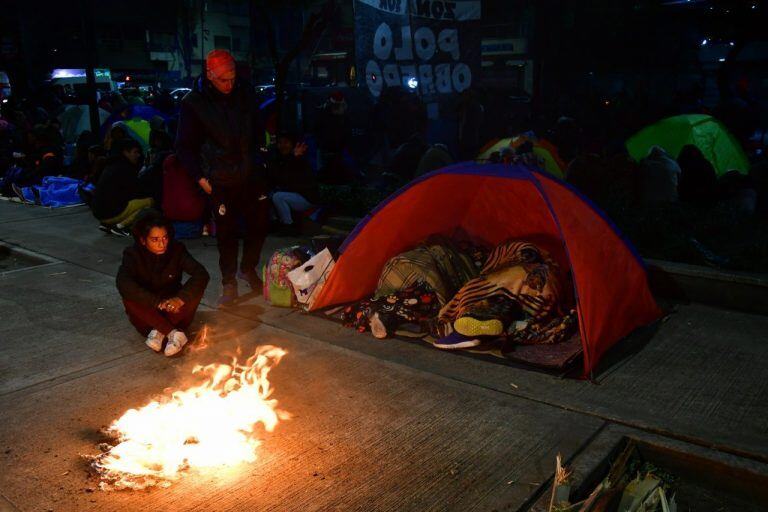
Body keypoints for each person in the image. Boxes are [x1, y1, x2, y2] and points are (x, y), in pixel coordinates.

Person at [176, 49, 268, 306]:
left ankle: (248, 267)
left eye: (232, 78)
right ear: (210, 75)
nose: (229, 85)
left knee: (258, 225)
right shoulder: (195, 103)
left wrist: (261, 157)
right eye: (223, 80)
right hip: (219, 178)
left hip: (251, 174)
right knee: (226, 233)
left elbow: (258, 128)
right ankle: (229, 281)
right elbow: (184, 146)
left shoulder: (244, 92)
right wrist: (201, 178)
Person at [116, 210, 209, 356]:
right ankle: (173, 334)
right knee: (129, 295)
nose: (162, 244)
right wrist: (156, 302)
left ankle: (162, 332)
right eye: (155, 239)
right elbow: (123, 283)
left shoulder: (176, 249)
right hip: (148, 318)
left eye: (165, 238)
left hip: (176, 313)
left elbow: (201, 274)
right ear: (143, 240)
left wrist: (181, 298)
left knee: (195, 289)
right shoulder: (132, 254)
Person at [90, 138, 153, 235]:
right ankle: (120, 226)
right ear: (125, 152)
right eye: (135, 152)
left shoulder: (111, 164)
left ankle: (108, 224)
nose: (138, 155)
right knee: (150, 201)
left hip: (99, 213)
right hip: (110, 213)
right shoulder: (125, 168)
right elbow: (136, 191)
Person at [267, 132, 320, 232]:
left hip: (306, 197)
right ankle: (276, 223)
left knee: (278, 196)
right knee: (269, 195)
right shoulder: (280, 159)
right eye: (280, 143)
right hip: (294, 194)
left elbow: (290, 180)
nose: (282, 145)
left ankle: (289, 225)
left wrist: (294, 157)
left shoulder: (300, 158)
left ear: (292, 144)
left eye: (286, 142)